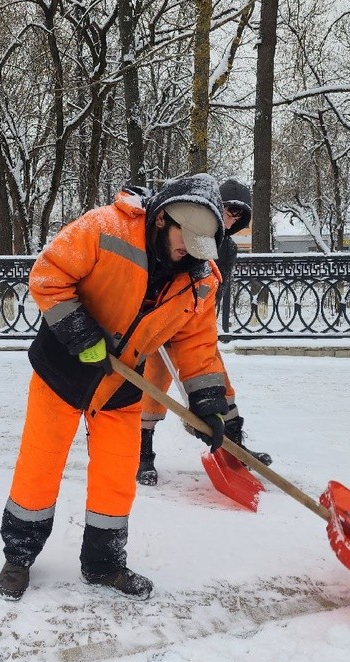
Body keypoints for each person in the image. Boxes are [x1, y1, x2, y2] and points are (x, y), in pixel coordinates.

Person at [0, 174, 231, 602]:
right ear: (164, 220)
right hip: (63, 368)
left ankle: (104, 564)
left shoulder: (201, 279)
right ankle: (18, 556)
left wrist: (211, 405)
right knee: (40, 465)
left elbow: (197, 347)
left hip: (124, 380)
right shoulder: (104, 228)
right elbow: (48, 274)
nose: (189, 251)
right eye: (187, 239)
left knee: (117, 476)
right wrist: (81, 333)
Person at [136, 177, 272, 486]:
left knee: (217, 385)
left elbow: (214, 289)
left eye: (238, 215)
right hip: (159, 324)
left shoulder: (227, 249)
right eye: (226, 209)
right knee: (151, 390)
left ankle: (234, 448)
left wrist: (198, 322)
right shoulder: (180, 230)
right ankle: (143, 454)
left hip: (195, 323)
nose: (229, 218)